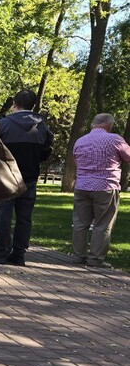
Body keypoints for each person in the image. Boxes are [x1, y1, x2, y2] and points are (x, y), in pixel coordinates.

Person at [0, 89, 53, 266]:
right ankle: (19, 254)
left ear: (14, 104)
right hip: (30, 177)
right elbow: (45, 152)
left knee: (4, 213)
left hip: (6, 176)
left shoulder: (2, 125)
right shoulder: (42, 127)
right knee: (24, 217)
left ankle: (0, 252)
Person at [71, 113, 130, 268]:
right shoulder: (115, 139)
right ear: (109, 125)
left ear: (93, 124)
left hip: (82, 186)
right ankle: (96, 258)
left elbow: (76, 159)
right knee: (103, 224)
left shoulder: (80, 141)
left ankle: (78, 255)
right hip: (106, 186)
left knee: (80, 223)